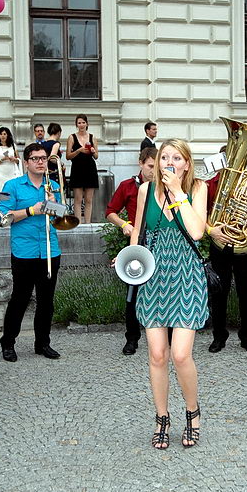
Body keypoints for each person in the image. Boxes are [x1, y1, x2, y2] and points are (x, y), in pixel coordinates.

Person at [130, 139, 208, 449]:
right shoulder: (145, 190)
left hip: (187, 276)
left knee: (180, 354)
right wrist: (131, 262)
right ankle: (162, 417)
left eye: (177, 158)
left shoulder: (198, 188)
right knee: (157, 355)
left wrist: (178, 193)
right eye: (165, 157)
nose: (169, 163)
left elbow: (197, 231)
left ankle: (193, 413)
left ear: (187, 164)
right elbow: (138, 232)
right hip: (154, 277)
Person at [0, 142, 63, 362]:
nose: (40, 162)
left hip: (50, 250)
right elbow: (3, 218)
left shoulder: (53, 185)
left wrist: (54, 205)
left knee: (47, 301)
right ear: (26, 162)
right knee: (20, 299)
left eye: (43, 158)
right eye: (35, 158)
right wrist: (31, 210)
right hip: (24, 252)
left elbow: (61, 217)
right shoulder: (12, 185)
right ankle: (8, 343)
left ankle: (42, 343)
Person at [206, 145, 247, 355]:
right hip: (219, 245)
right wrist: (212, 230)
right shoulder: (209, 185)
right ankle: (219, 336)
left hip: (244, 246)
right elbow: (200, 214)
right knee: (219, 292)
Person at [105, 146, 157, 355]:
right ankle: (132, 339)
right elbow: (110, 212)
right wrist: (124, 224)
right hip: (138, 242)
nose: (154, 171)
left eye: (157, 166)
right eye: (150, 166)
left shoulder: (166, 187)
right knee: (132, 294)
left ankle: (168, 338)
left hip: (160, 243)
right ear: (141, 164)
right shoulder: (127, 186)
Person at [66, 114, 99, 223]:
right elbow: (68, 156)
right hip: (77, 169)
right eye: (79, 123)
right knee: (78, 199)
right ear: (76, 124)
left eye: (83, 122)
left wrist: (93, 151)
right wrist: (79, 150)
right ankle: (78, 223)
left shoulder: (92, 137)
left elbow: (96, 156)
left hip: (90, 169)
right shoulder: (72, 137)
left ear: (87, 124)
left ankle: (88, 223)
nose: (81, 125)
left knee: (89, 199)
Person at [0, 127, 21, 192]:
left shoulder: (13, 146)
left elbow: (19, 161)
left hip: (12, 172)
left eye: (4, 134)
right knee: (1, 192)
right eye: (1, 134)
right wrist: (2, 159)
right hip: (0, 173)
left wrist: (14, 159)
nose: (3, 136)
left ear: (8, 135)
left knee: (13, 191)